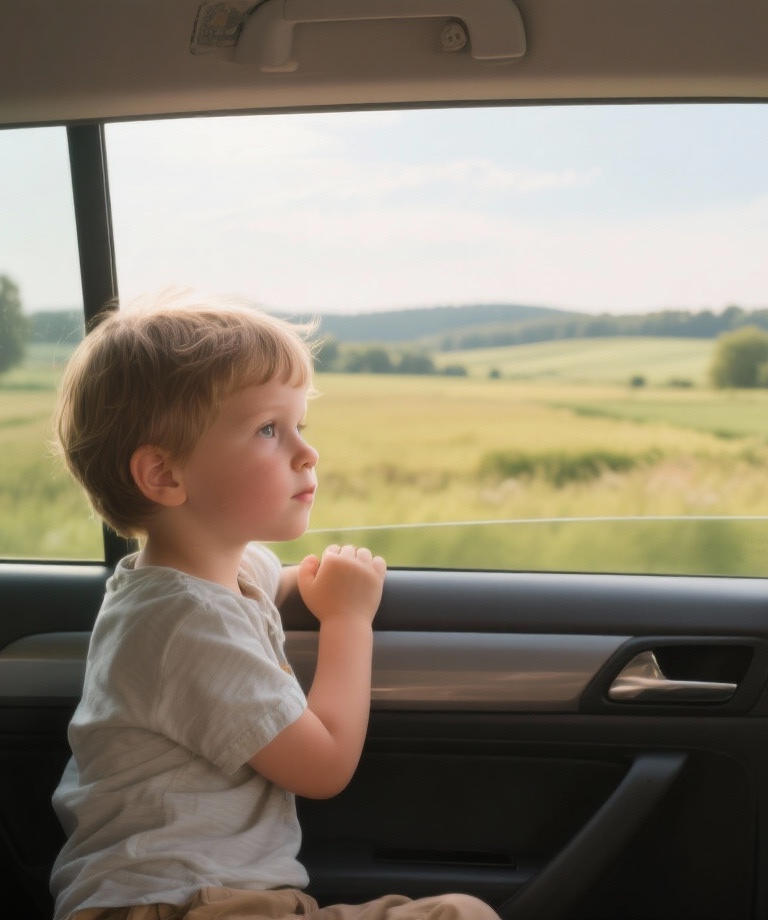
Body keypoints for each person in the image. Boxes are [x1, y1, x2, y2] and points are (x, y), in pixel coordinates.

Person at [49, 291, 498, 920]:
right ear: (164, 476)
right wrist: (347, 619)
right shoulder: (183, 624)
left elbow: (273, 580)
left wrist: (318, 583)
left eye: (300, 427)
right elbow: (324, 765)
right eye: (268, 429)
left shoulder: (214, 573)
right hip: (177, 906)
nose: (307, 452)